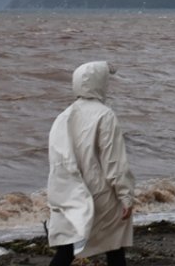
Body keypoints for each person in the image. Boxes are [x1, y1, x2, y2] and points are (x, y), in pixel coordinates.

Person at [46, 61, 136, 266]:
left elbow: (57, 160)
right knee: (114, 246)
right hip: (102, 192)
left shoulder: (63, 116)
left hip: (70, 191)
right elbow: (114, 162)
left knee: (66, 249)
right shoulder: (105, 115)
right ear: (100, 84)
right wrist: (126, 195)